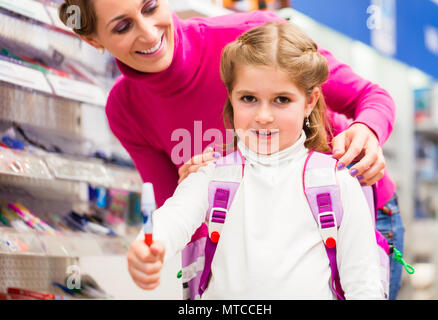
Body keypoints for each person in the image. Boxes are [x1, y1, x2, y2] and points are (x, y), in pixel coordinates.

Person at [58, 0, 402, 298]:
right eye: (122, 27)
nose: (148, 33)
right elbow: (176, 216)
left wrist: (367, 130)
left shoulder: (253, 36)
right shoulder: (127, 109)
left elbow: (370, 97)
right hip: (248, 240)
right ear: (92, 39)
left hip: (353, 212)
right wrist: (153, 244)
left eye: (150, 7)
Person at [128, 22, 385, 299]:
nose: (263, 116)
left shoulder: (337, 182)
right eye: (249, 98)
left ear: (310, 101)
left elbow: (363, 284)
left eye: (282, 100)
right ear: (231, 98)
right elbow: (174, 217)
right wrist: (148, 246)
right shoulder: (211, 175)